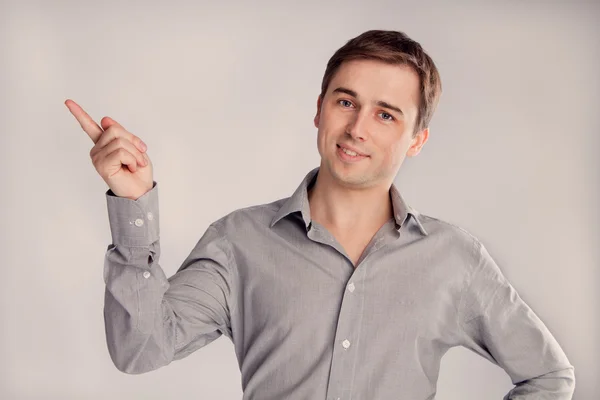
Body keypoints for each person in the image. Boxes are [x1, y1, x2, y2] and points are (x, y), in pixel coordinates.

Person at [66, 29, 575, 399]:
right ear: (319, 109)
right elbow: (141, 350)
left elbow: (549, 377)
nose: (357, 128)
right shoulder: (240, 241)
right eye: (346, 101)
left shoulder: (454, 259)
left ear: (417, 139)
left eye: (385, 114)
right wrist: (133, 202)